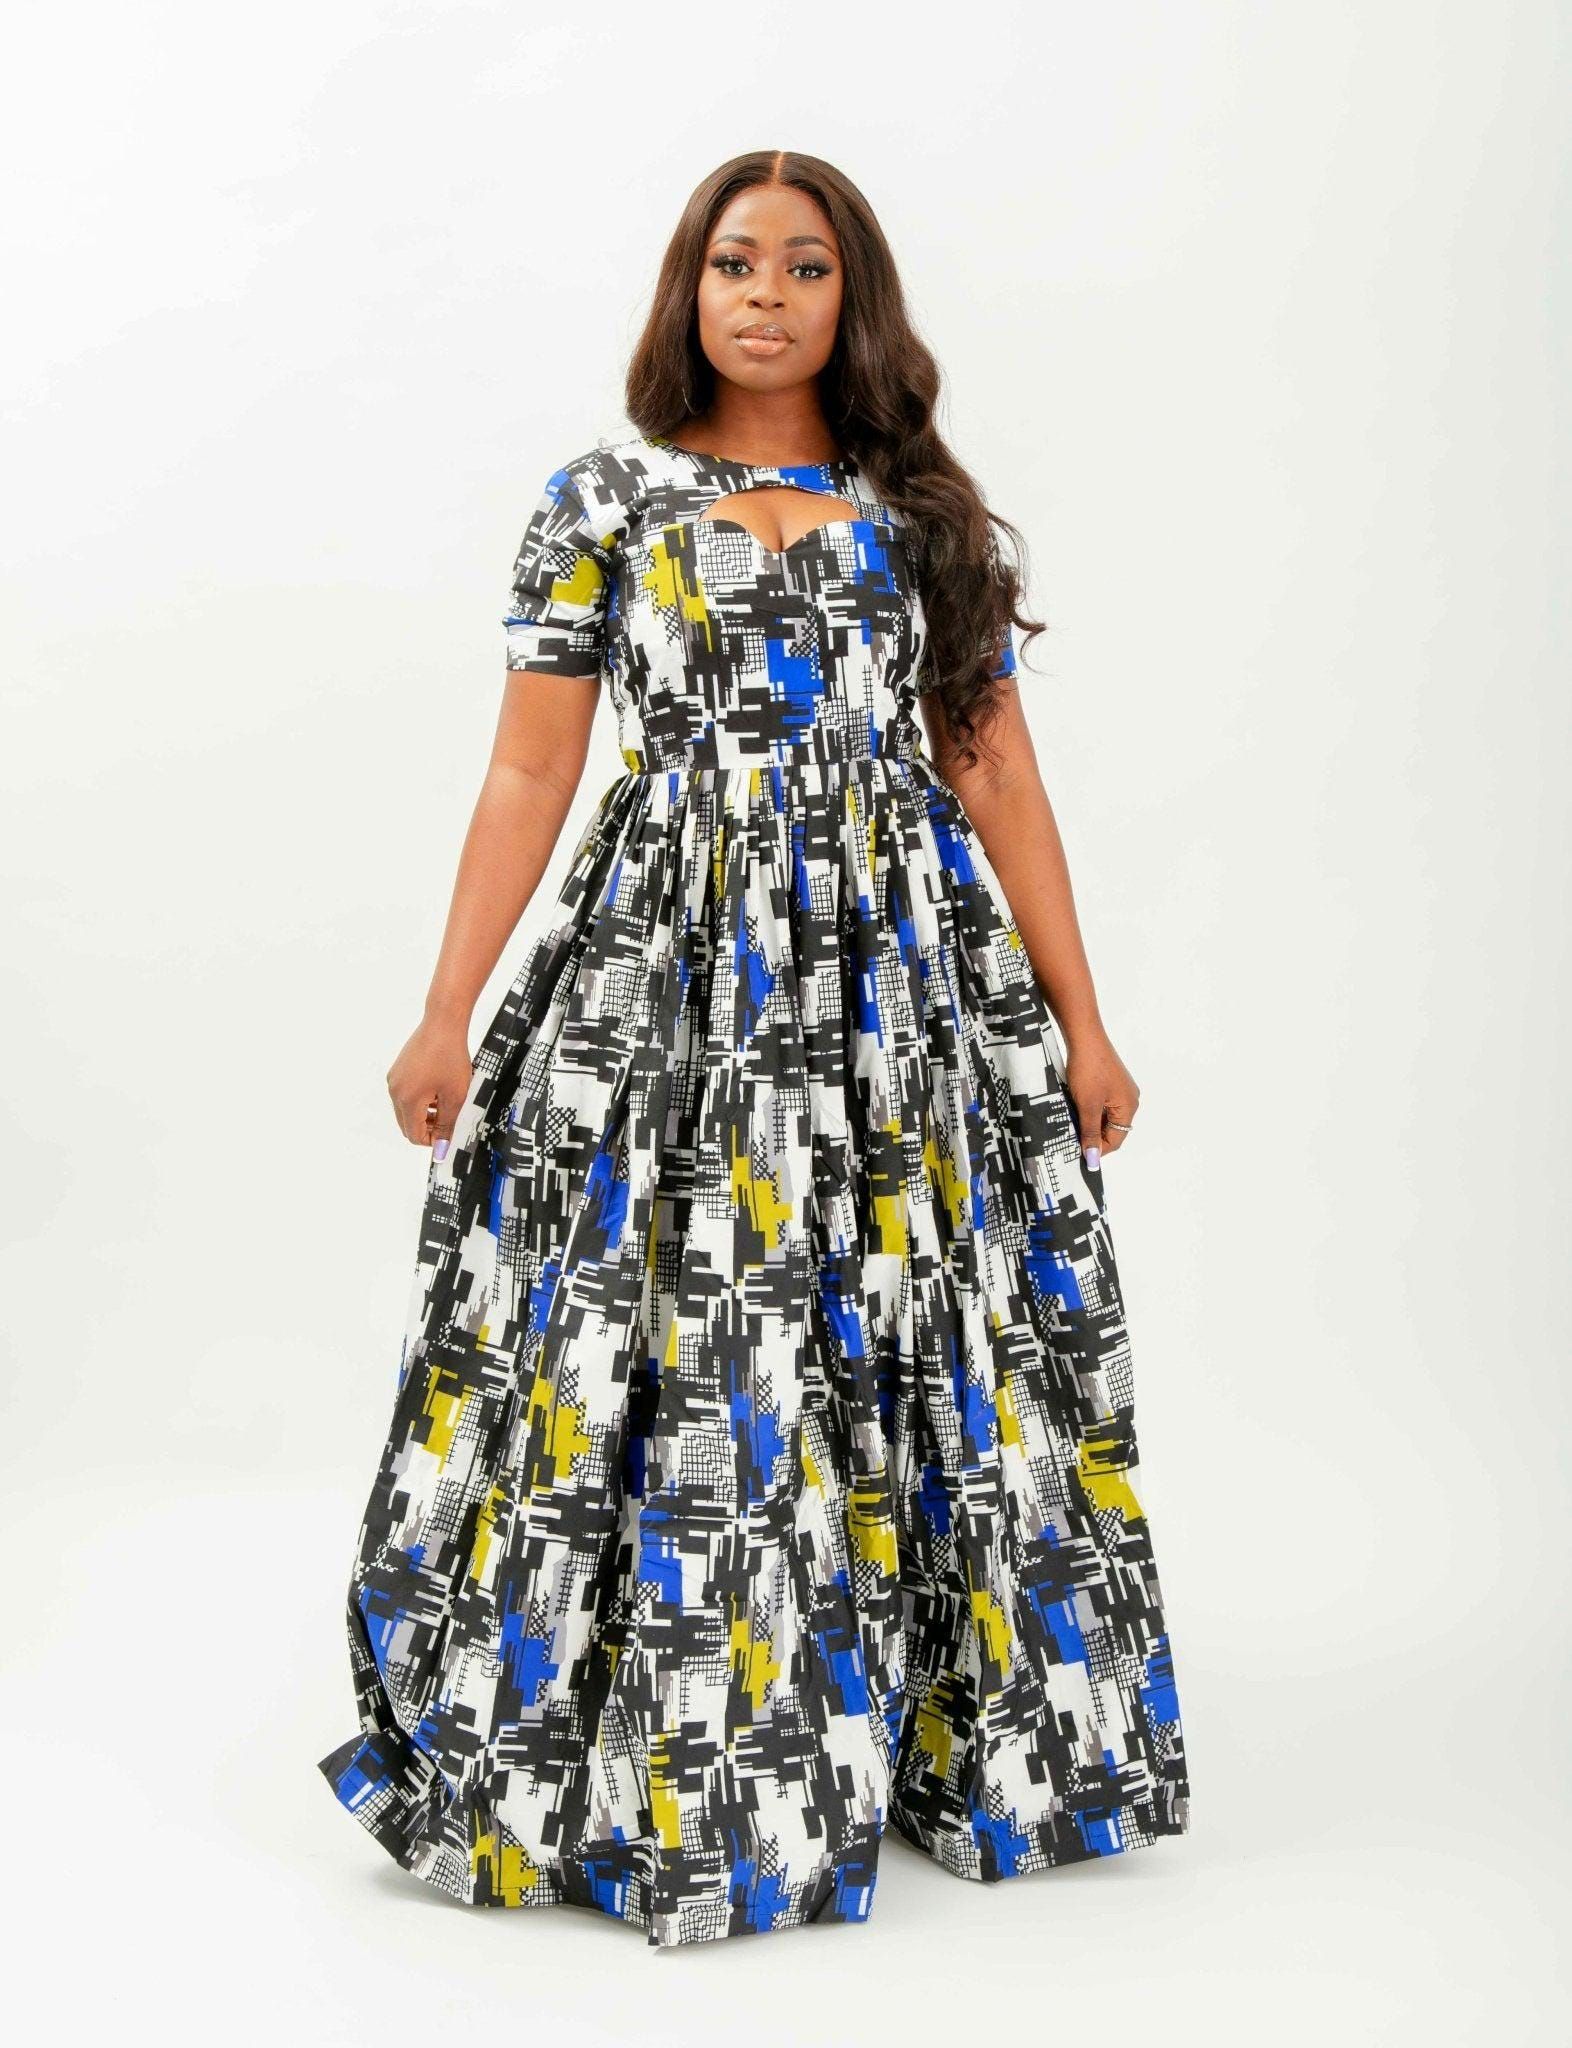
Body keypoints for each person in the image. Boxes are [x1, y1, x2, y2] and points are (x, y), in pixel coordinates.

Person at [316, 149, 1191, 1949]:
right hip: (670, 980)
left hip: (896, 989)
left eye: (804, 265)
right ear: (689, 288)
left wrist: (1083, 1017)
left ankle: (939, 1735)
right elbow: (530, 767)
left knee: (911, 1316)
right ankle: (672, 1764)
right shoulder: (605, 500)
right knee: (681, 1326)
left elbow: (996, 771)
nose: (767, 294)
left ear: (853, 299)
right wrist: (446, 1002)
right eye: (735, 262)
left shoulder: (920, 517)